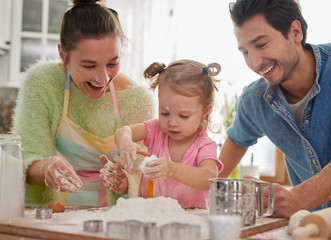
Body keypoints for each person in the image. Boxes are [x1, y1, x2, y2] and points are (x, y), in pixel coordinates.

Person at [219, 0, 331, 220]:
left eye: (261, 44)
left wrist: (297, 199)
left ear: (295, 32)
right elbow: (235, 143)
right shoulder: (254, 100)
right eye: (245, 52)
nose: (254, 63)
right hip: (313, 230)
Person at [11, 0, 155, 207]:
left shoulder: (138, 100)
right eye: (89, 65)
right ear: (63, 55)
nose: (103, 78)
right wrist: (45, 167)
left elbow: (142, 179)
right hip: (49, 217)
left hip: (110, 222)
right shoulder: (43, 83)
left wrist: (124, 182)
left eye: (112, 63)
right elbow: (25, 163)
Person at [102, 60, 224, 209]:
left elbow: (209, 178)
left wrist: (173, 170)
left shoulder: (204, 145)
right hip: (151, 218)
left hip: (189, 224)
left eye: (183, 116)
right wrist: (126, 142)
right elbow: (123, 132)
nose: (172, 122)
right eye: (164, 113)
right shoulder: (156, 129)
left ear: (205, 110)